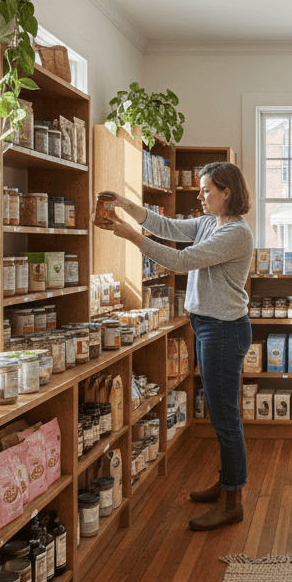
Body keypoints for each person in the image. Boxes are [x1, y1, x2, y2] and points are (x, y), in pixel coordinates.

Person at [95, 161, 254, 531]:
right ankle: (227, 483)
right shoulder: (211, 223)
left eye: (206, 190)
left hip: (223, 331)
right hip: (210, 327)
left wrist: (131, 236)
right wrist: (125, 204)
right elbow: (166, 226)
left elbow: (181, 261)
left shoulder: (235, 234)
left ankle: (233, 501)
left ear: (226, 193)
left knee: (225, 418)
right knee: (221, 415)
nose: (199, 196)